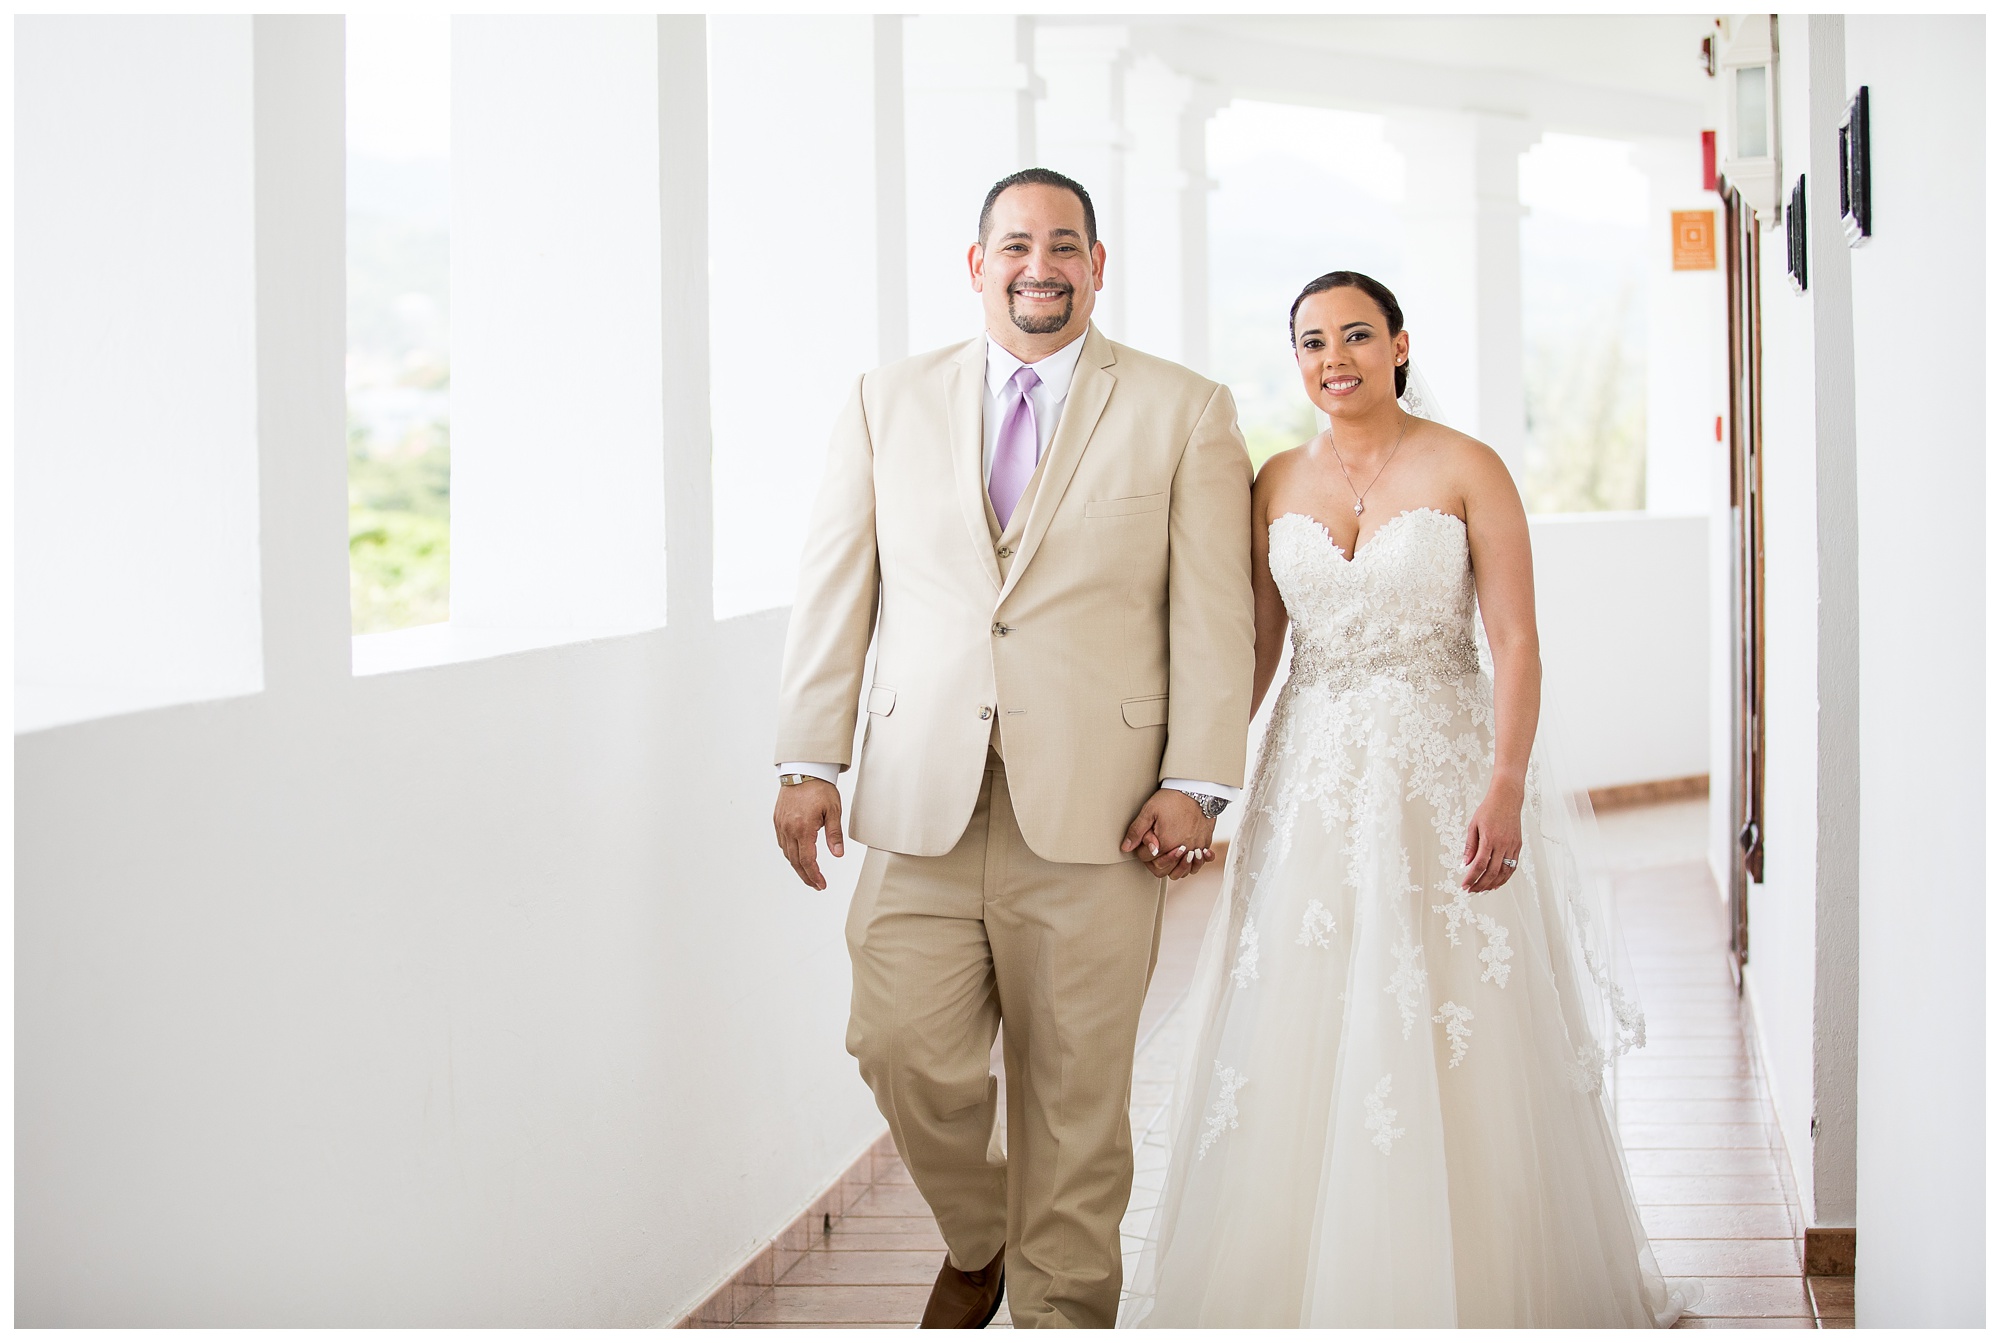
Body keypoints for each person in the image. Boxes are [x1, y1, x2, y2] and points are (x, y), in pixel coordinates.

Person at [1119, 272, 1700, 1327]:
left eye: (1352, 334)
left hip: (1440, 769)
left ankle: (1478, 1280)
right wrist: (1199, 785)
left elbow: (1515, 641)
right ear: (1294, 358)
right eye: (1308, 341)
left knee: (1452, 1010)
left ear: (1396, 343)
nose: (1331, 357)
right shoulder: (1272, 481)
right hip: (1310, 775)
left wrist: (1505, 783)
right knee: (1299, 1004)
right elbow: (1259, 647)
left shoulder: (1465, 465)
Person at [770, 168, 1255, 1329]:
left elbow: (1212, 609)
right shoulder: (885, 399)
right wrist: (806, 756)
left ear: (1097, 264)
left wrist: (1196, 780)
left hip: (1097, 806)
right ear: (976, 261)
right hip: (918, 793)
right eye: (1017, 244)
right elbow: (836, 585)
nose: (1040, 265)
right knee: (896, 1042)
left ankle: (1061, 1313)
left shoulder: (1183, 409)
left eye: (1065, 245)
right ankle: (982, 1233)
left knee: (1073, 1099)